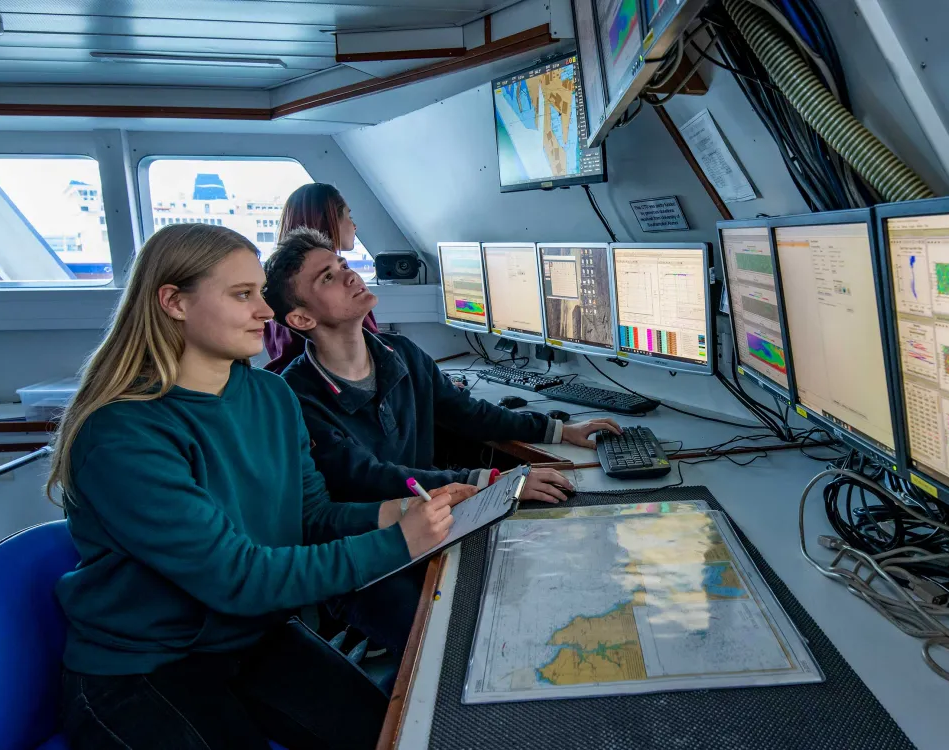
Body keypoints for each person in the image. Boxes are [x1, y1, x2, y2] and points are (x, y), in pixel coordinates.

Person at [50, 223, 467, 750]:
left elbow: (310, 518)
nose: (266, 312)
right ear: (174, 302)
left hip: (252, 637)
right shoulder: (121, 434)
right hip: (145, 668)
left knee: (394, 737)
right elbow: (237, 577)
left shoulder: (270, 395)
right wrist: (401, 541)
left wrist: (401, 510)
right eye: (243, 296)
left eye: (260, 295)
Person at [261, 228, 622, 656]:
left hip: (432, 521)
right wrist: (491, 481)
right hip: (367, 556)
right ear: (302, 319)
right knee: (454, 645)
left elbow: (467, 413)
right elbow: (367, 477)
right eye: (327, 277)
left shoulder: (402, 353)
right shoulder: (296, 395)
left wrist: (559, 431)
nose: (350, 276)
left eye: (343, 265)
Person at [263, 183, 377, 374]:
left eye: (344, 267)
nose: (354, 225)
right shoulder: (343, 306)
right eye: (349, 216)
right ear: (329, 221)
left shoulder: (282, 292)